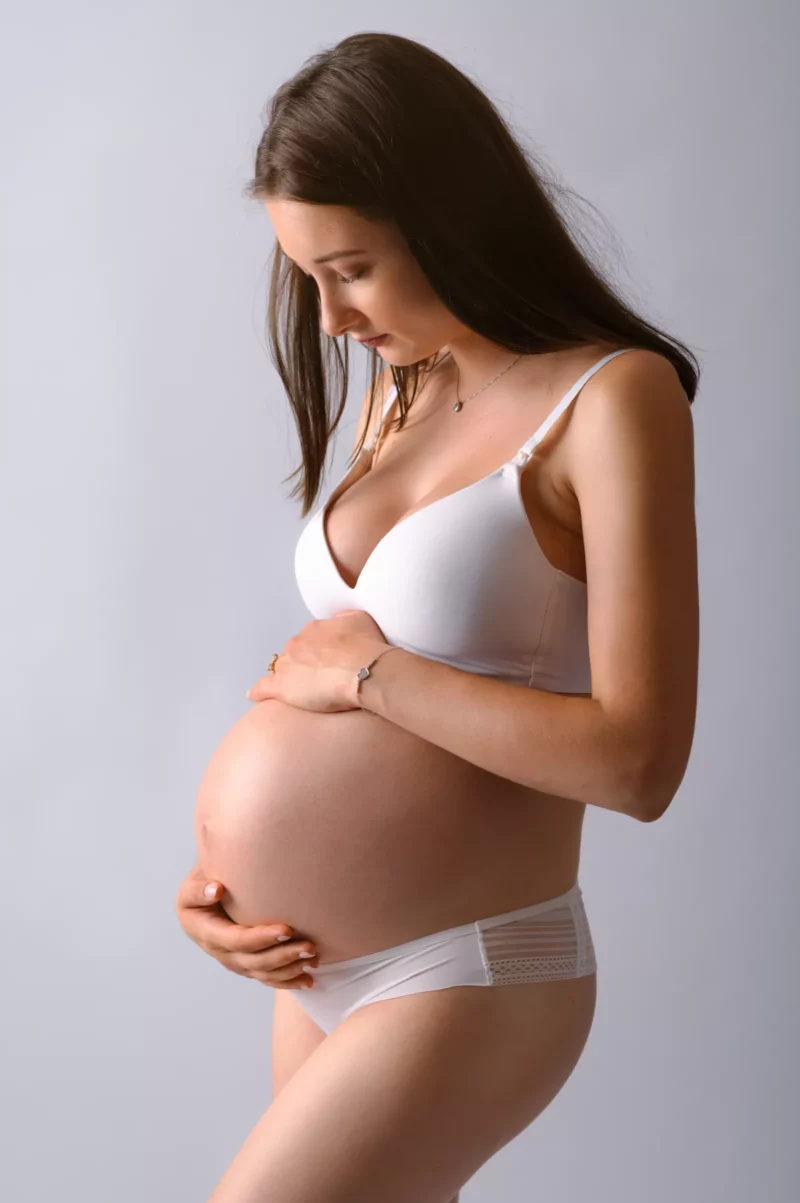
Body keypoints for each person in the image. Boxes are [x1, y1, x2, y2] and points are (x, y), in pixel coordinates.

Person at [176, 30, 700, 1203]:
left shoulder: (611, 398)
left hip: (471, 966)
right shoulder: (398, 393)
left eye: (350, 268)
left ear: (447, 216)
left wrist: (371, 679)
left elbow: (638, 761)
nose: (326, 318)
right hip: (315, 975)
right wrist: (217, 888)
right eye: (305, 275)